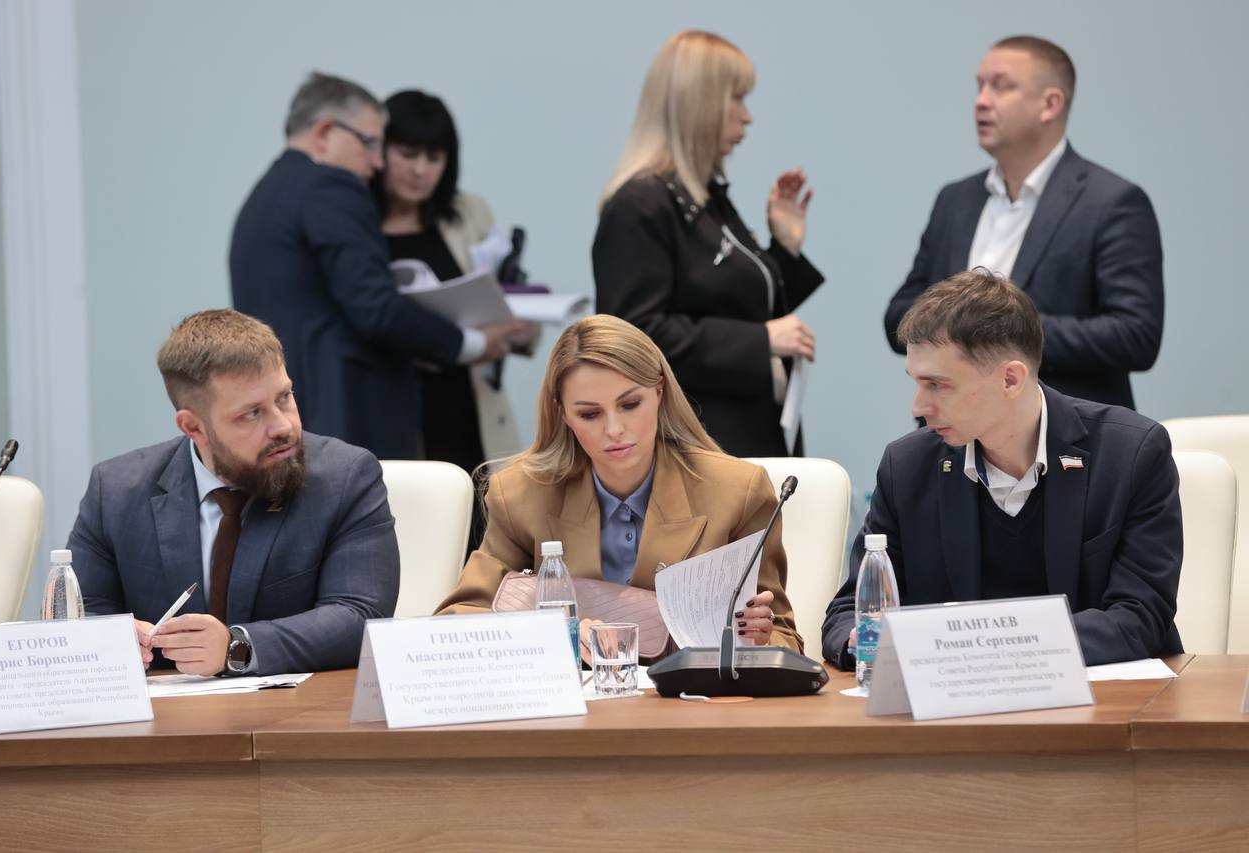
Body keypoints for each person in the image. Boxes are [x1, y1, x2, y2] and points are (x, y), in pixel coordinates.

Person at [823, 271, 1182, 668]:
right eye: (916, 383)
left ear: (1010, 379)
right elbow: (847, 613)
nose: (918, 406)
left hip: (1108, 700)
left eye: (937, 385)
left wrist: (986, 646)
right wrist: (859, 641)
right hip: (957, 702)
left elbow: (1140, 617)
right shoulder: (907, 467)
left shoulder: (1130, 454)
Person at [435, 314, 803, 652]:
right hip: (572, 697)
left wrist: (758, 638)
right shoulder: (519, 494)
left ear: (659, 392)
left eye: (630, 405)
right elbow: (457, 623)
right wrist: (551, 635)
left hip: (689, 699)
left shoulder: (738, 491)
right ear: (562, 415)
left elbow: (785, 640)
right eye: (589, 413)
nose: (614, 429)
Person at [68, 309, 399, 676]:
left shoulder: (345, 476)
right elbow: (78, 617)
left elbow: (360, 616)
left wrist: (236, 646)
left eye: (284, 397)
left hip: (295, 706)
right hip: (164, 709)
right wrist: (111, 639)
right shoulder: (116, 491)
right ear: (194, 427)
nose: (283, 425)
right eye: (252, 414)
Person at [230, 71, 525, 460]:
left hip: (290, 409)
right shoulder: (332, 188)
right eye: (370, 143)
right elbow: (376, 308)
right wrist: (472, 343)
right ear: (325, 132)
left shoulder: (267, 193)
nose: (376, 161)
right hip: (347, 415)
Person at [884, 36, 1163, 410]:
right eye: (980, 86)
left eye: (1001, 86)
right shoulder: (955, 201)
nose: (981, 100)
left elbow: (1135, 335)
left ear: (1050, 104)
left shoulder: (1111, 202)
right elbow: (900, 314)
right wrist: (955, 329)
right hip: (948, 431)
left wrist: (1001, 330)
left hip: (1065, 432)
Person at [593, 30, 825, 457]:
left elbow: (737, 307)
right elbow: (635, 337)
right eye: (737, 99)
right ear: (698, 103)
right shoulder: (640, 205)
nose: (747, 117)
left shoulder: (704, 197)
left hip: (744, 432)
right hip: (696, 446)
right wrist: (760, 341)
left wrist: (785, 250)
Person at [374, 88, 533, 479]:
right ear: (380, 150)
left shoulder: (468, 212)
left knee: (487, 507)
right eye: (408, 154)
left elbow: (500, 289)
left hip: (471, 401)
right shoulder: (359, 225)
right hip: (398, 403)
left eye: (434, 158)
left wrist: (517, 322)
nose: (420, 170)